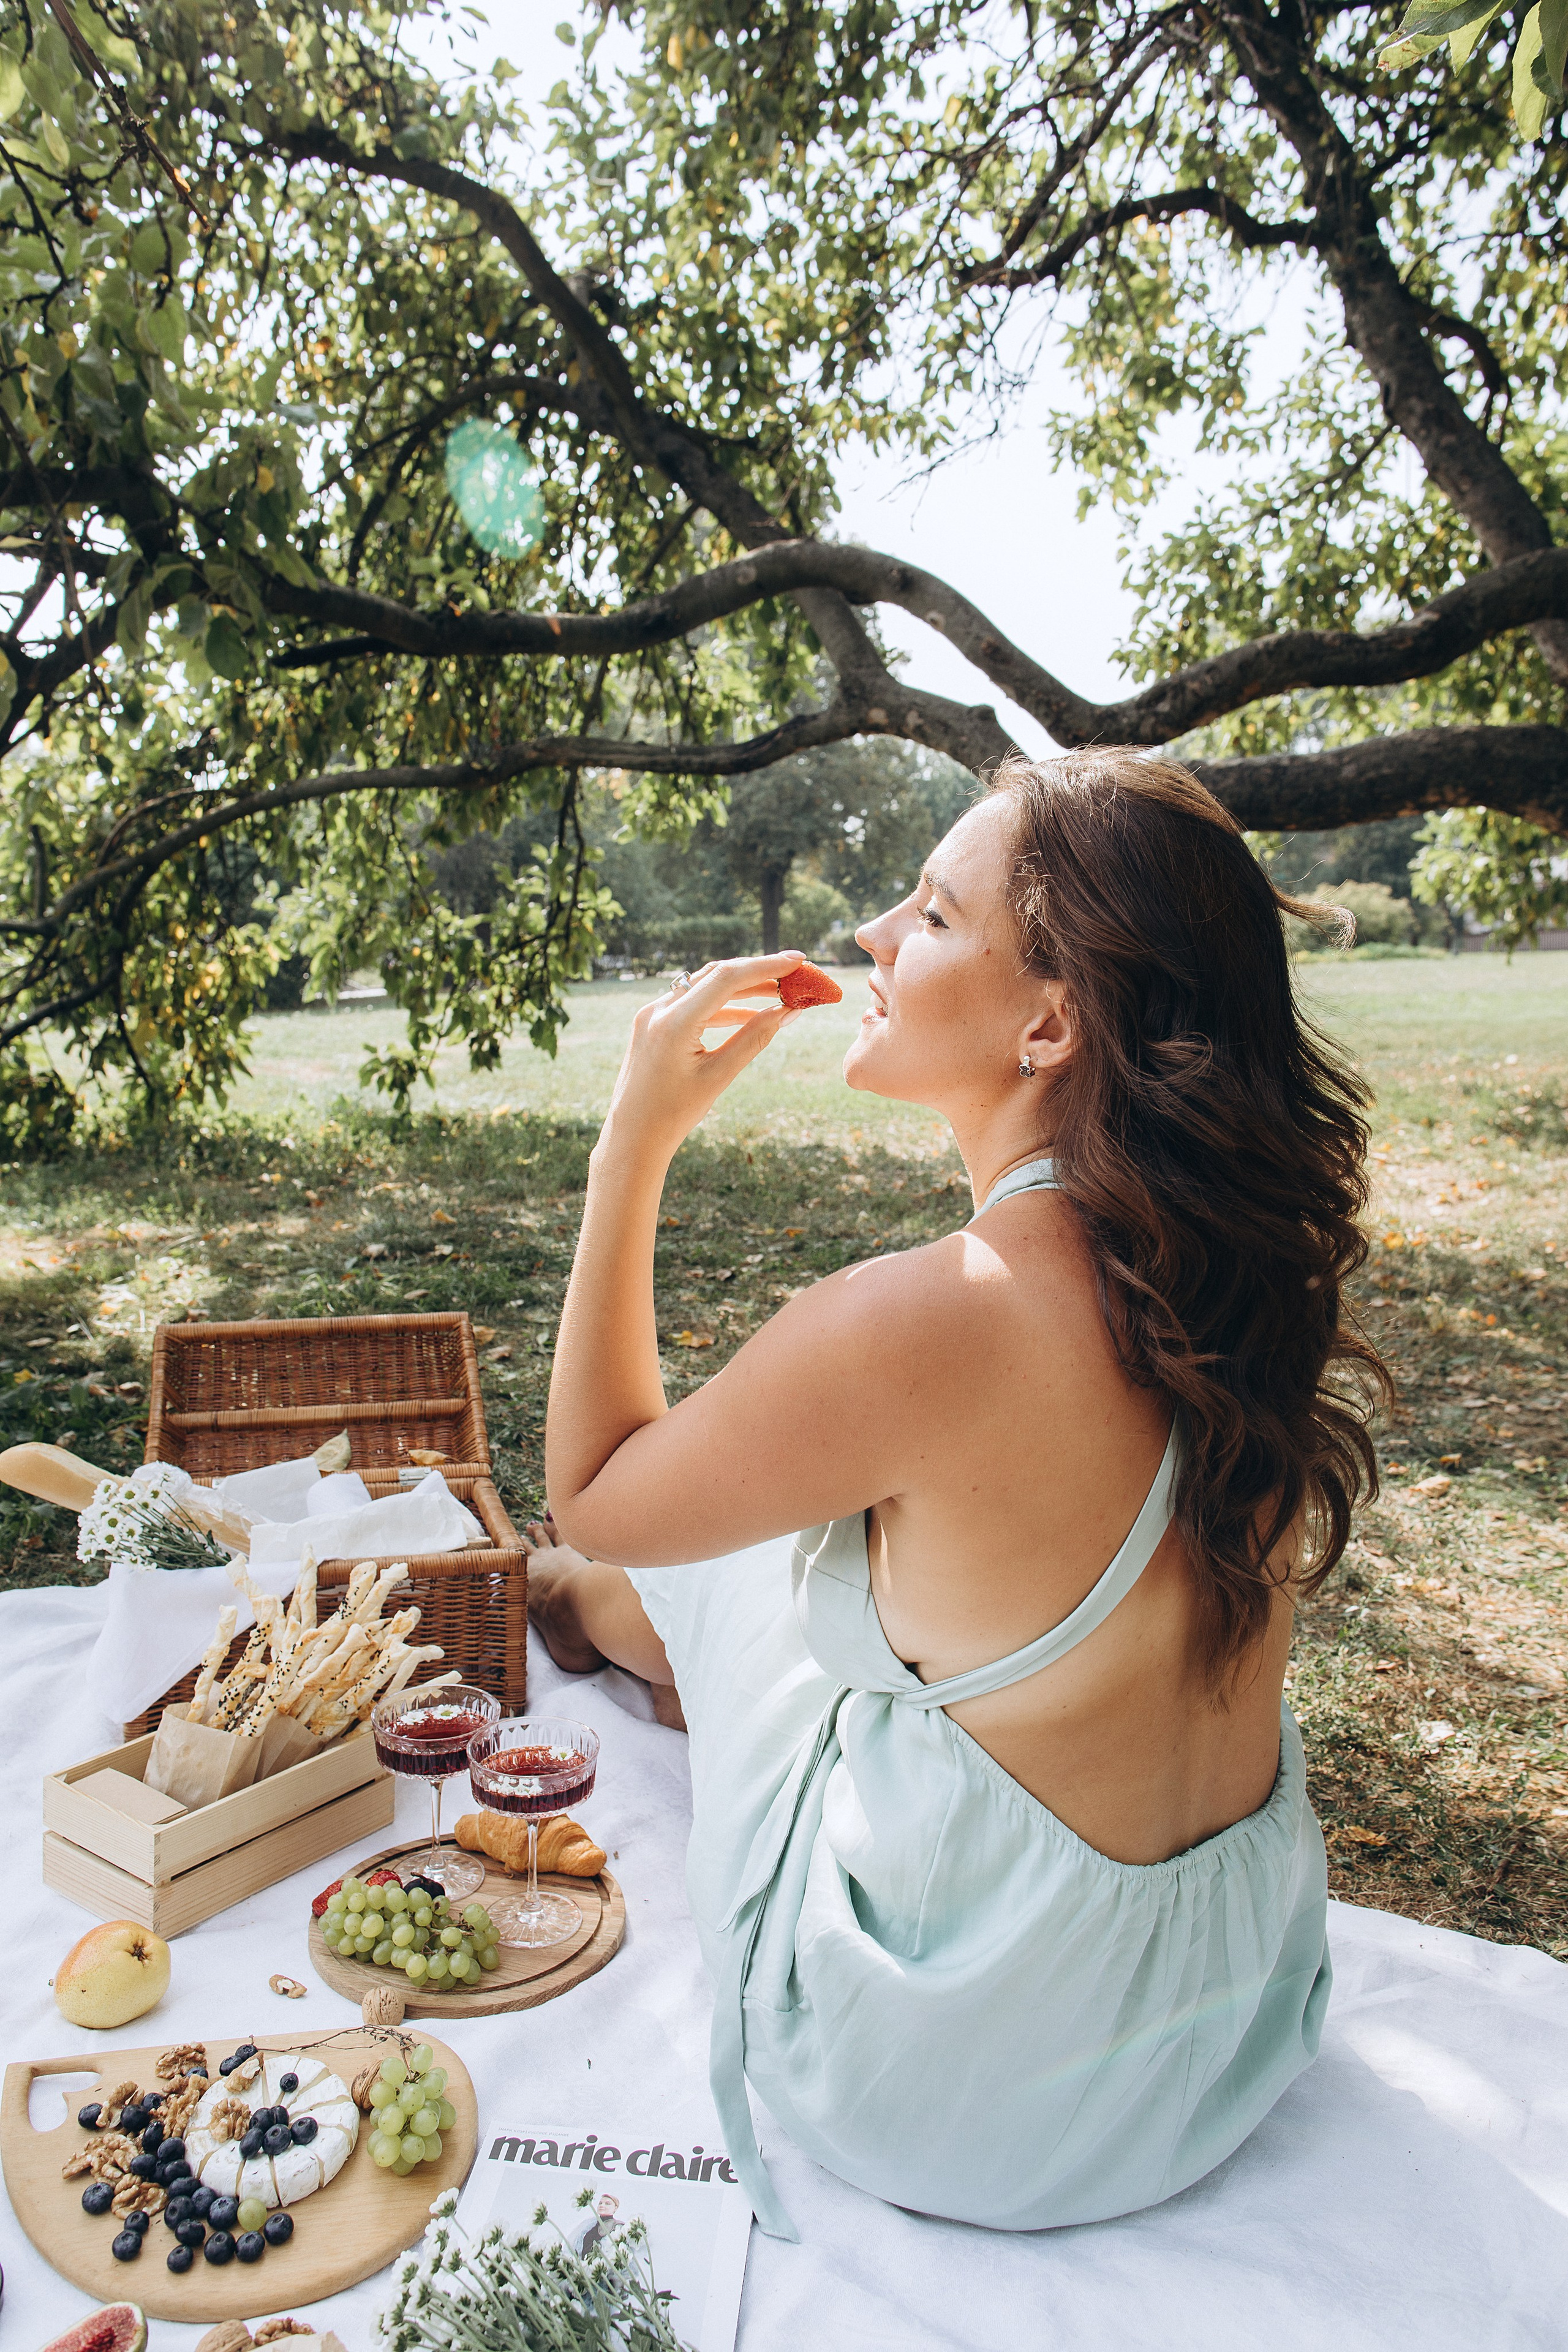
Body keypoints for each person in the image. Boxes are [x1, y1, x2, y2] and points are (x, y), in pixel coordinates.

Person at [527, 748, 1387, 2241]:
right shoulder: (1235, 1274)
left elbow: (597, 1483)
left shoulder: (932, 1318)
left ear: (1049, 1023)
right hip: (1224, 2032)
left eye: (929, 915)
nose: (872, 934)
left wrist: (634, 1139)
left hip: (965, 2101)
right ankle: (605, 1618)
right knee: (811, 1536)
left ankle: (574, 1606)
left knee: (708, 1554)